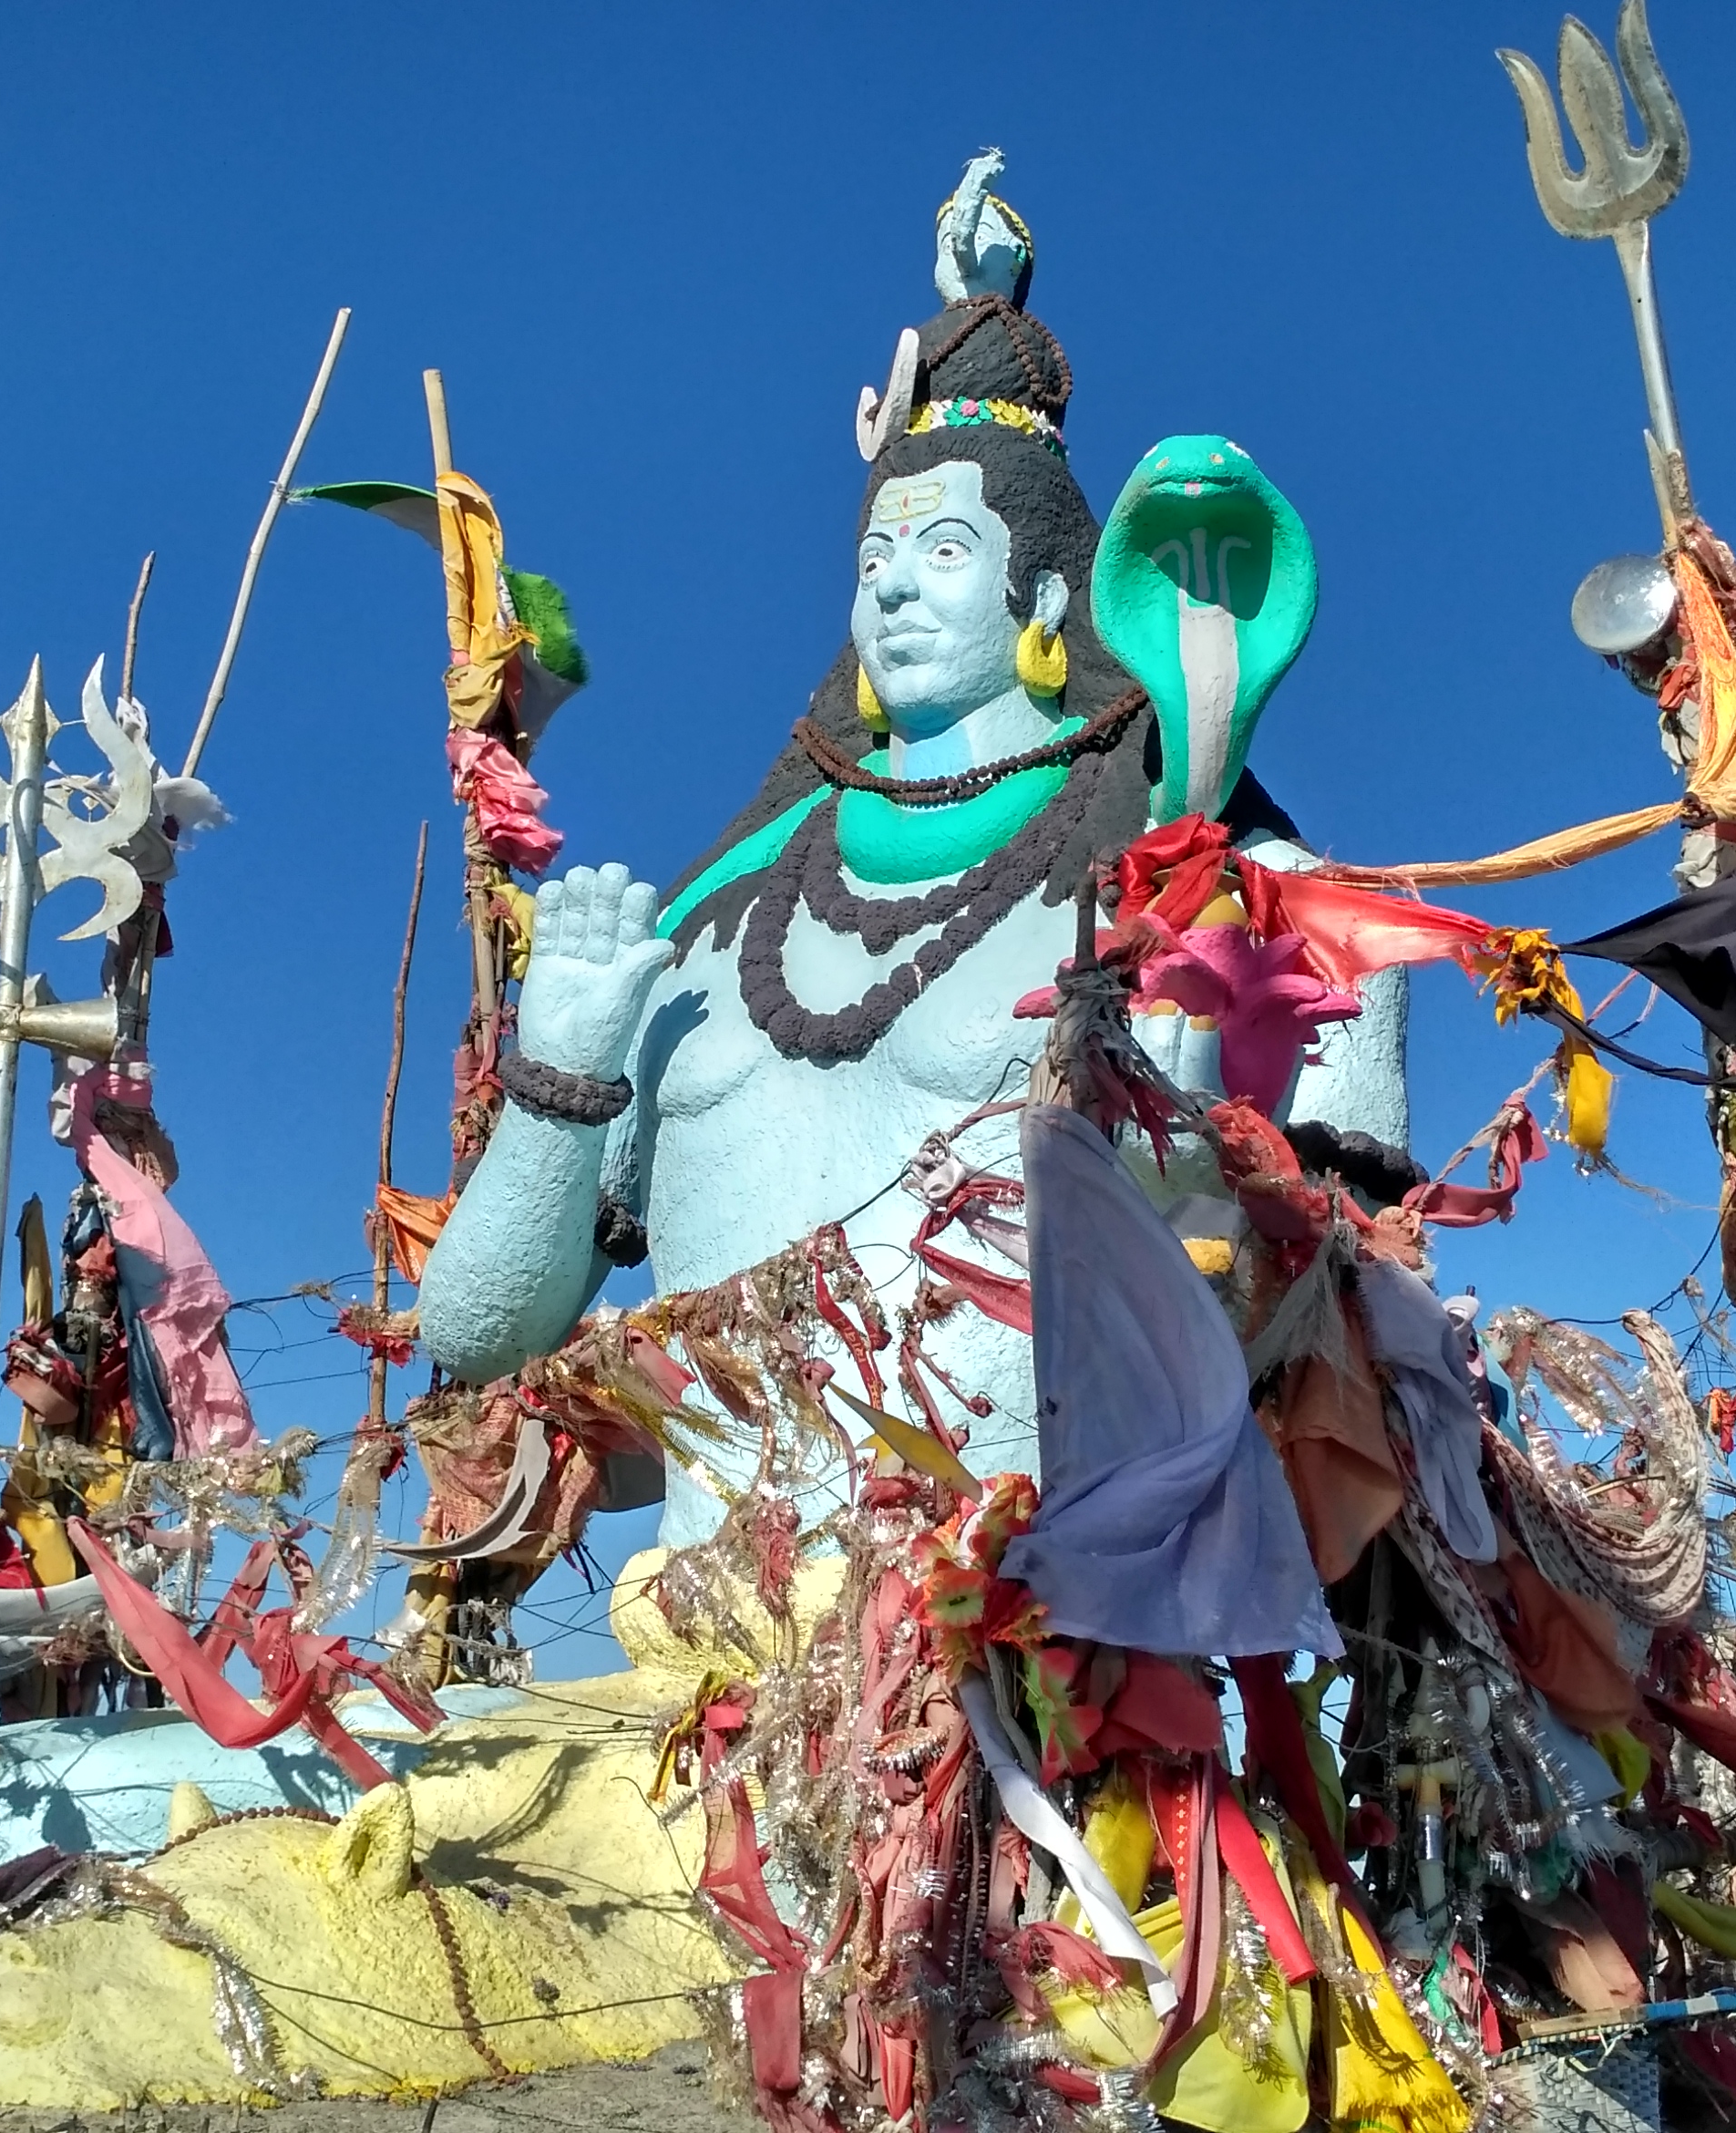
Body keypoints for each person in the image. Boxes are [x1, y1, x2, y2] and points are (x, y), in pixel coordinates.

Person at [416, 157, 1406, 1541]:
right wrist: (564, 1074)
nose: (884, 579)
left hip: (1053, 1662)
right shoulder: (706, 934)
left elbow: (1343, 1325)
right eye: (873, 548)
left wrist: (1205, 1191)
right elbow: (472, 1332)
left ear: (1052, 592)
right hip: (704, 1664)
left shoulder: (1220, 903)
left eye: (940, 548)